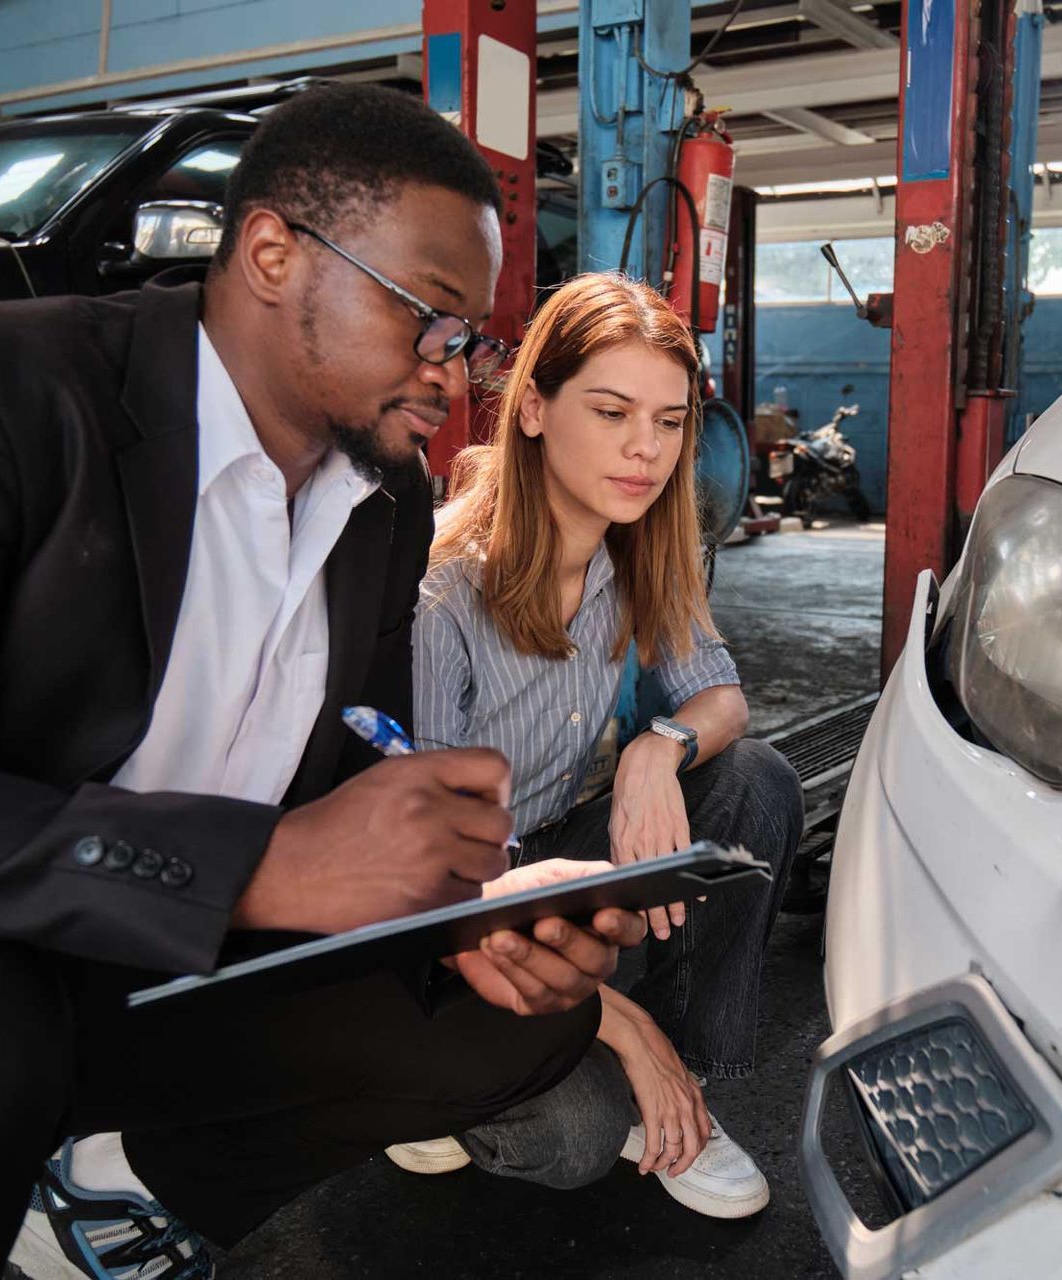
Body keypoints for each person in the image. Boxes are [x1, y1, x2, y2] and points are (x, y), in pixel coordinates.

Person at [0, 84, 649, 1279]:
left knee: (528, 1012)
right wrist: (258, 864)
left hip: (174, 962)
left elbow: (350, 744)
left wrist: (460, 906)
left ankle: (99, 1209)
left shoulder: (384, 497)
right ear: (274, 252)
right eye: (428, 316)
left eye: (472, 336)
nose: (456, 371)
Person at [388, 273, 804, 1218]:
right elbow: (430, 883)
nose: (645, 450)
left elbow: (722, 703)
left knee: (754, 784)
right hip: (448, 913)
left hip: (552, 866)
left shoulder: (639, 551)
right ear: (532, 408)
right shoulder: (444, 592)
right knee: (569, 1139)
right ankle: (423, 1084)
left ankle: (688, 1092)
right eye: (612, 411)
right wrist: (621, 1028)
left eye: (667, 422)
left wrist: (655, 749)